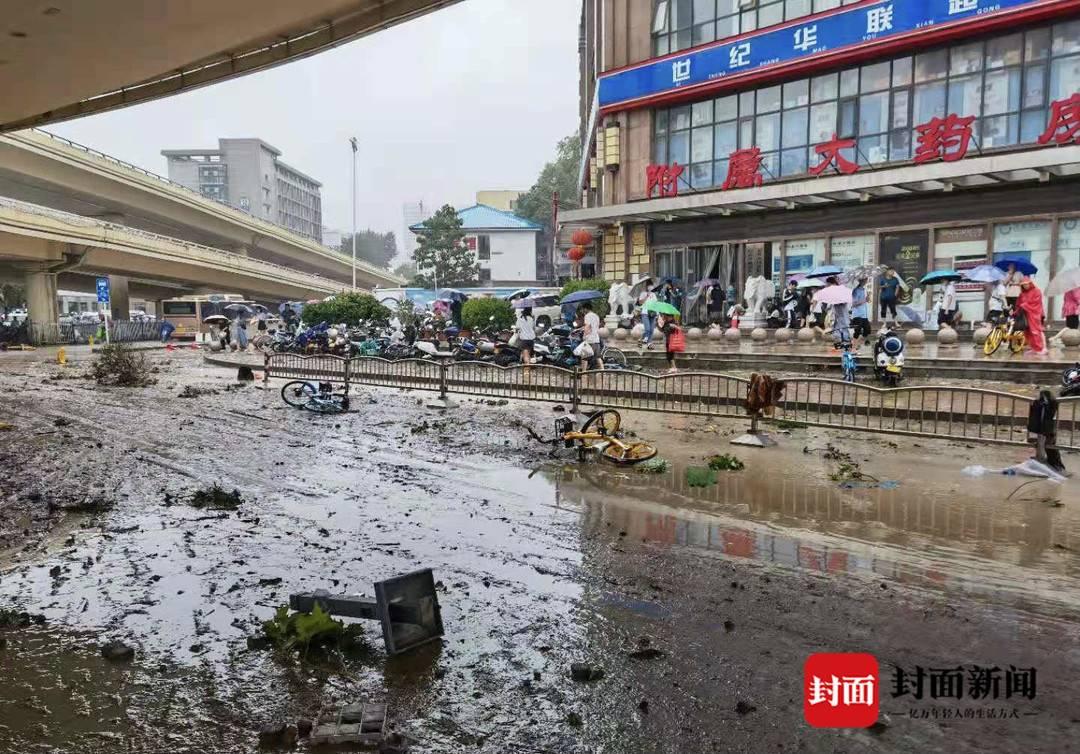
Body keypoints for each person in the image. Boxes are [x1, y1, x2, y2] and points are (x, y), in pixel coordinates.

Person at [1015, 278, 1048, 355]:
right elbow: (1018, 304)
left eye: (1026, 284)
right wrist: (1016, 311)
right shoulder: (1022, 294)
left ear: (1030, 283)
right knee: (1028, 332)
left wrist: (1025, 305)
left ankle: (1042, 348)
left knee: (1036, 331)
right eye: (1023, 285)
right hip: (1025, 315)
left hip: (1035, 315)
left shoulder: (1037, 291)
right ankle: (1034, 348)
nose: (1025, 286)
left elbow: (1036, 302)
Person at [580, 301, 603, 370]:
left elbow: (587, 326)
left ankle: (583, 372)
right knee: (598, 357)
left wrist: (584, 336)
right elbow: (595, 326)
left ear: (585, 309)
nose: (582, 311)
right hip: (596, 339)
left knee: (584, 357)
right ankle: (602, 370)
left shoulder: (587, 316)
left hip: (589, 339)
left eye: (583, 309)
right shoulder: (596, 316)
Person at [850, 277, 870, 349]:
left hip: (864, 315)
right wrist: (864, 300)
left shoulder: (864, 290)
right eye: (865, 279)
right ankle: (854, 347)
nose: (866, 280)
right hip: (857, 314)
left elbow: (865, 301)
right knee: (857, 331)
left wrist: (867, 298)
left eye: (866, 279)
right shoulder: (856, 291)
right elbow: (854, 304)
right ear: (861, 280)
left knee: (867, 330)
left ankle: (856, 343)